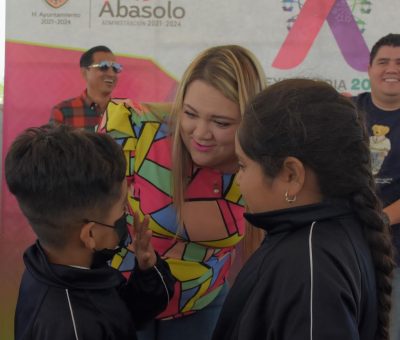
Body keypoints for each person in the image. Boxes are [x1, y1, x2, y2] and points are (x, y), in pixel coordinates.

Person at [98, 45, 267, 339]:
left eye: (221, 122)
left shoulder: (263, 164)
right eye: (190, 114)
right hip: (120, 299)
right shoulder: (134, 129)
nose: (200, 133)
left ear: (249, 121)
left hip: (201, 304)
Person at [213, 79, 395, 340]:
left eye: (243, 165)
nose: (238, 178)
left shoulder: (309, 266)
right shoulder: (334, 230)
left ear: (291, 174)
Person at [5, 125, 175, 340]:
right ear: (90, 235)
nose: (128, 214)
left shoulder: (54, 265)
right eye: (123, 208)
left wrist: (147, 270)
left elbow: (124, 314)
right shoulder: (74, 329)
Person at [353, 33, 400, 340]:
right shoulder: (345, 112)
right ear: (369, 69)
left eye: (399, 62)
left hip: (394, 254)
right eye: (383, 61)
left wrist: (377, 221)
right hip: (348, 246)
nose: (391, 68)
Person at [50, 45, 122, 131]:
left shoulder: (126, 112)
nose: (111, 74)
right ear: (84, 73)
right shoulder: (63, 112)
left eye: (115, 68)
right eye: (104, 67)